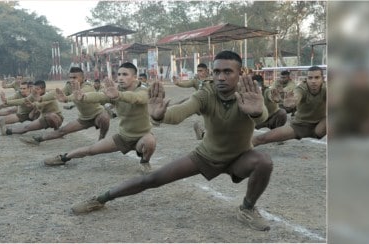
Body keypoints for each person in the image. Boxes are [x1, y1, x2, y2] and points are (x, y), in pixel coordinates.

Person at [70, 51, 273, 232]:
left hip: (240, 156)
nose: (220, 77)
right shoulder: (206, 94)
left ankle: (247, 208)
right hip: (207, 155)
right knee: (151, 180)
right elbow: (178, 114)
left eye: (227, 72)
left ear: (240, 73)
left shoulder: (249, 94)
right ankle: (101, 199)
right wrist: (159, 115)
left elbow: (262, 116)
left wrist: (257, 112)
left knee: (263, 161)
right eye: (217, 71)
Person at [42, 62, 156, 174]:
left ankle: (145, 161)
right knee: (91, 150)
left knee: (149, 141)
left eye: (125, 74)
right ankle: (63, 158)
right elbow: (99, 96)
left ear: (135, 77)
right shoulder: (115, 92)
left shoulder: (143, 90)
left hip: (142, 136)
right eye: (119, 74)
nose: (120, 78)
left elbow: (136, 98)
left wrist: (119, 95)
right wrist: (83, 97)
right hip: (123, 137)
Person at [19, 67, 110, 145]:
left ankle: (101, 139)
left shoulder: (88, 86)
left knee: (105, 117)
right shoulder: (69, 86)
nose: (71, 79)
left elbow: (78, 95)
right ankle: (38, 139)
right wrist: (41, 98)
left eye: (74, 77)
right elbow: (57, 93)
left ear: (83, 78)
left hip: (98, 114)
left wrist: (67, 98)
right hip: (84, 118)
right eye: (70, 77)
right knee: (62, 131)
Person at [193, 74, 287, 140]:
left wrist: (276, 99)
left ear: (262, 84)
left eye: (258, 85)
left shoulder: (266, 91)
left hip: (268, 119)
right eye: (253, 85)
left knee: (281, 113)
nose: (256, 88)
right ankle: (204, 134)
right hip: (252, 120)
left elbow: (270, 95)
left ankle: (277, 136)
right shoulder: (244, 92)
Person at [252, 66, 326, 146]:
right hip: (299, 126)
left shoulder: (326, 89)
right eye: (310, 78)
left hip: (320, 127)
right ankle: (241, 149)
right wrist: (292, 102)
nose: (313, 81)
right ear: (306, 79)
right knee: (261, 139)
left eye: (317, 77)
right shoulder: (301, 88)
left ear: (322, 78)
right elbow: (297, 95)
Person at [0, 80, 64, 136]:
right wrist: (7, 101)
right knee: (27, 127)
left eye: (37, 89)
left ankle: (57, 131)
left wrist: (33, 105)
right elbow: (23, 101)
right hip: (45, 119)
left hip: (57, 118)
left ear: (43, 89)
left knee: (51, 115)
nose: (35, 91)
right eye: (34, 89)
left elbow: (42, 104)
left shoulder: (50, 94)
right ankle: (7, 131)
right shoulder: (34, 95)